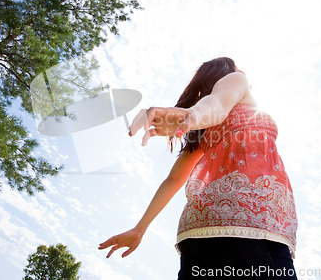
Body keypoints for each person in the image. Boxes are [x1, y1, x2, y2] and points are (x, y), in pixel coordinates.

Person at [99, 57, 298, 279]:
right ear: (227, 72)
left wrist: (139, 229)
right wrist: (192, 116)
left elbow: (173, 180)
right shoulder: (236, 80)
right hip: (254, 227)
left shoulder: (204, 131)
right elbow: (218, 105)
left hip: (198, 233)